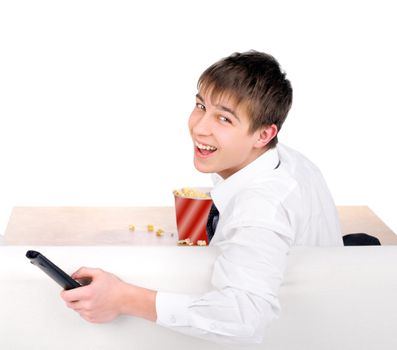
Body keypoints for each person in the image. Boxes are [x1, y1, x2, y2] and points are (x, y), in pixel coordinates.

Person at [60, 50, 343, 344]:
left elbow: (244, 318)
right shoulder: (276, 159)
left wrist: (122, 298)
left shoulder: (261, 208)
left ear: (263, 135)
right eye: (200, 106)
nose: (199, 126)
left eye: (223, 118)